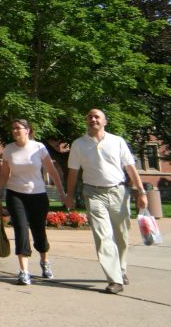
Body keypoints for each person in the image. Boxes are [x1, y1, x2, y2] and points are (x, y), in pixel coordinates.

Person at [63, 108, 149, 294]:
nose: (93, 119)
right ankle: (114, 279)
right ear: (86, 121)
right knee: (102, 236)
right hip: (93, 193)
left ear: (105, 121)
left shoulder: (117, 141)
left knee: (121, 235)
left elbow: (130, 168)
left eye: (97, 116)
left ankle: (121, 268)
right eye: (90, 117)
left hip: (118, 191)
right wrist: (69, 195)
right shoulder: (78, 144)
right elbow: (73, 172)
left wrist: (141, 192)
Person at [0, 119, 67, 286]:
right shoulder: (9, 149)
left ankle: (44, 261)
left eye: (18, 128)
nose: (15, 131)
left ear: (27, 130)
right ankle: (24, 271)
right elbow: (4, 174)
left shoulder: (39, 147)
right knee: (20, 229)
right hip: (15, 194)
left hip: (38, 194)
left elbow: (52, 171)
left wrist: (61, 192)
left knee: (38, 231)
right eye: (13, 128)